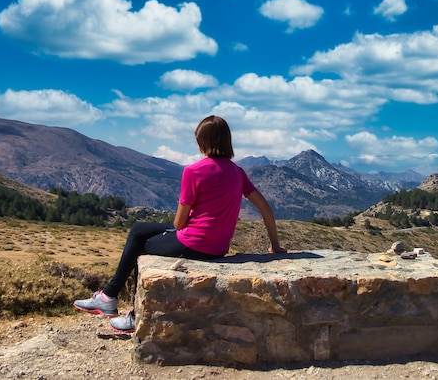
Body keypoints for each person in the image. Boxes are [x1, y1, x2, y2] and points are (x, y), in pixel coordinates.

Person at [73, 115, 286, 333]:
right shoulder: (238, 173)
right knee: (139, 229)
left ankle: (128, 310)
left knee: (141, 246)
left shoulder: (193, 171)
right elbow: (265, 208)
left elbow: (180, 222)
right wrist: (275, 246)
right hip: (219, 247)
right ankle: (109, 295)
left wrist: (182, 223)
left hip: (193, 243)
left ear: (202, 142)